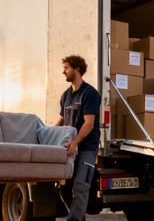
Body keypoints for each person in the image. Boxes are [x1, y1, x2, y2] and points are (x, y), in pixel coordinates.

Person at [55, 55, 101, 221]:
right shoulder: (65, 95)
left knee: (80, 186)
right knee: (64, 188)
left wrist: (75, 142)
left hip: (86, 148)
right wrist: (47, 136)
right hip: (70, 149)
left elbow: (89, 124)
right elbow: (61, 120)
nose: (63, 71)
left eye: (66, 68)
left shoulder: (90, 94)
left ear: (77, 69)